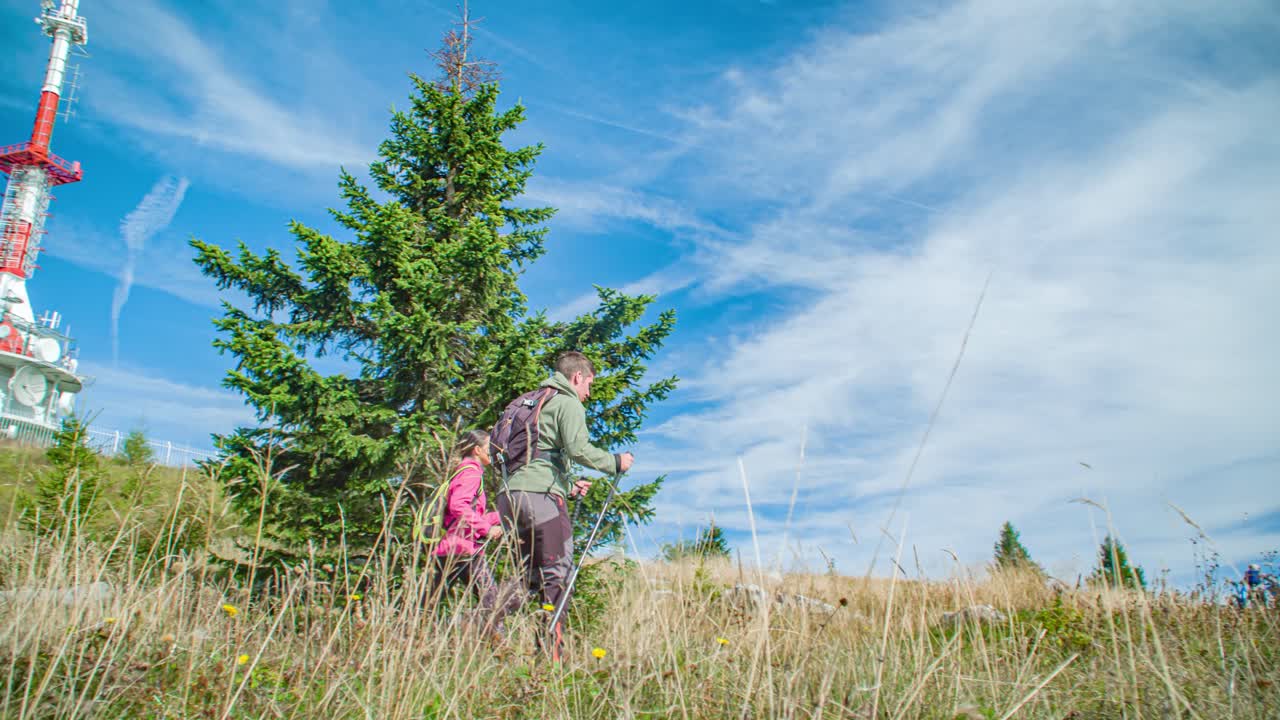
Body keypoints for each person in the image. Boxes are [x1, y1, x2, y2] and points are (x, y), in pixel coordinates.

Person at [496, 351, 634, 659]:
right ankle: (552, 660)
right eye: (589, 385)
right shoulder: (567, 401)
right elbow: (578, 448)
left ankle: (483, 622)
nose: (588, 394)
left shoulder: (531, 401)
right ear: (578, 377)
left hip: (510, 496)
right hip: (541, 498)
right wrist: (615, 462)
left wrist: (569, 485)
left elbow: (534, 454)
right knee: (558, 574)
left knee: (528, 576)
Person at [430, 430, 522, 634]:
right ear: (477, 449)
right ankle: (494, 645)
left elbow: (467, 512)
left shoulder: (463, 471)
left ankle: (407, 632)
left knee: (428, 602)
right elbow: (458, 507)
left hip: (451, 548)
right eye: (490, 448)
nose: (494, 452)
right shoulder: (471, 472)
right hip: (464, 550)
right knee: (493, 602)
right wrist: (487, 529)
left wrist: (502, 516)